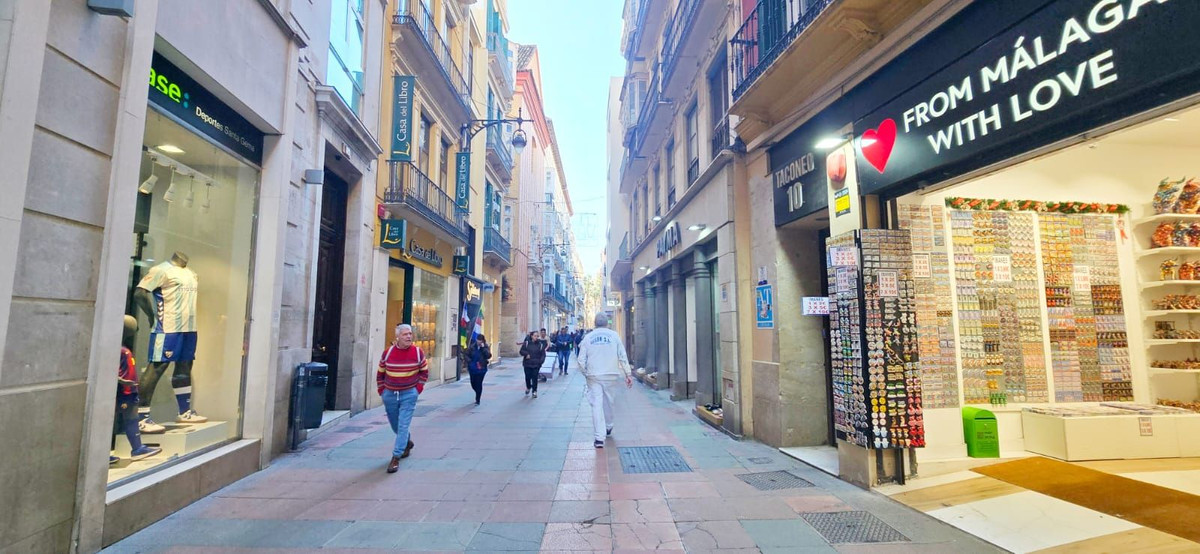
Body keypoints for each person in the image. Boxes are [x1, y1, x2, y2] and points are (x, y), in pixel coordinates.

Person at [378, 323, 428, 473]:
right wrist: (382, 390)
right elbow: (381, 373)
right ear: (398, 337)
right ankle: (406, 442)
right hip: (390, 394)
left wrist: (417, 390)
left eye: (410, 334)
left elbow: (424, 372)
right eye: (405, 334)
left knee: (403, 425)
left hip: (409, 394)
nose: (409, 336)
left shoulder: (417, 352)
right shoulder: (388, 353)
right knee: (395, 424)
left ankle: (396, 457)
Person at [577, 312, 632, 448]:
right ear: (607, 323)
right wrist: (628, 374)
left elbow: (581, 360)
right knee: (609, 402)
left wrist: (586, 373)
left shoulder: (588, 338)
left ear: (595, 323)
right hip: (611, 374)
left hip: (594, 375)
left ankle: (599, 438)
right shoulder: (614, 336)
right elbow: (622, 355)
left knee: (596, 404)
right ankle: (608, 425)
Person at [519, 331, 547, 398]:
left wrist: (540, 362)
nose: (536, 337)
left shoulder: (540, 344)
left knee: (535, 378)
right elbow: (521, 351)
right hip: (527, 364)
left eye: (537, 336)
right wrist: (526, 354)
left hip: (536, 364)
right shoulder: (526, 343)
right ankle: (528, 387)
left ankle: (534, 391)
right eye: (535, 336)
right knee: (528, 377)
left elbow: (543, 354)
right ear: (531, 336)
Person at [466, 334, 492, 405]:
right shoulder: (472, 346)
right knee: (473, 383)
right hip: (473, 368)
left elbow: (489, 356)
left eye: (480, 340)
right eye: (478, 340)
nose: (479, 342)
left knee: (479, 383)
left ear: (483, 341)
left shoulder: (485, 347)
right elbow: (467, 355)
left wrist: (483, 348)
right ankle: (477, 392)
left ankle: (478, 399)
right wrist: (469, 362)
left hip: (481, 369)